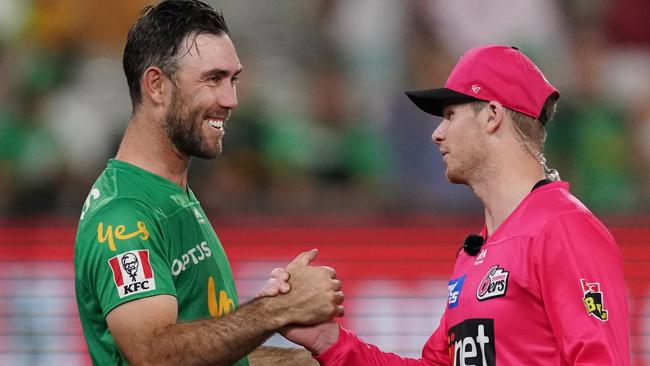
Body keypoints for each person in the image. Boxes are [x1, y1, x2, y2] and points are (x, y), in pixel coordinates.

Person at [276, 45, 631, 365]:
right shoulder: (476, 253)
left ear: (492, 115)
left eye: (450, 115)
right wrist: (329, 340)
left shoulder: (563, 227)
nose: (437, 133)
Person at [73, 1, 342, 365]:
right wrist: (274, 312)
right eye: (213, 79)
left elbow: (205, 351)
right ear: (157, 85)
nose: (231, 99)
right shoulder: (123, 217)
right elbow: (156, 355)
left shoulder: (167, 191)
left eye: (233, 80)